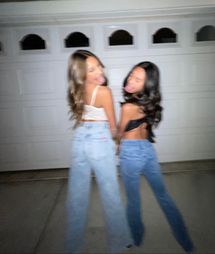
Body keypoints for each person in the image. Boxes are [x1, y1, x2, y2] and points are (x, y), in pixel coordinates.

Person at [118, 61, 194, 253]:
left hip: (131, 153)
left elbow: (119, 132)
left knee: (133, 200)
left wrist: (113, 139)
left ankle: (135, 238)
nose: (131, 80)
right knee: (164, 196)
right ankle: (186, 243)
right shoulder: (150, 103)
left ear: (147, 84)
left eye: (138, 79)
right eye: (132, 75)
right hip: (148, 151)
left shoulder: (128, 107)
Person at [66, 49, 132, 254]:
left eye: (99, 65)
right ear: (81, 73)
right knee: (110, 193)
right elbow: (112, 127)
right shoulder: (103, 91)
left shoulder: (76, 90)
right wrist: (119, 140)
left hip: (79, 140)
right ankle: (119, 243)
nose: (99, 71)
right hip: (99, 140)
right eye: (91, 69)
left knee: (77, 197)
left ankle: (73, 247)